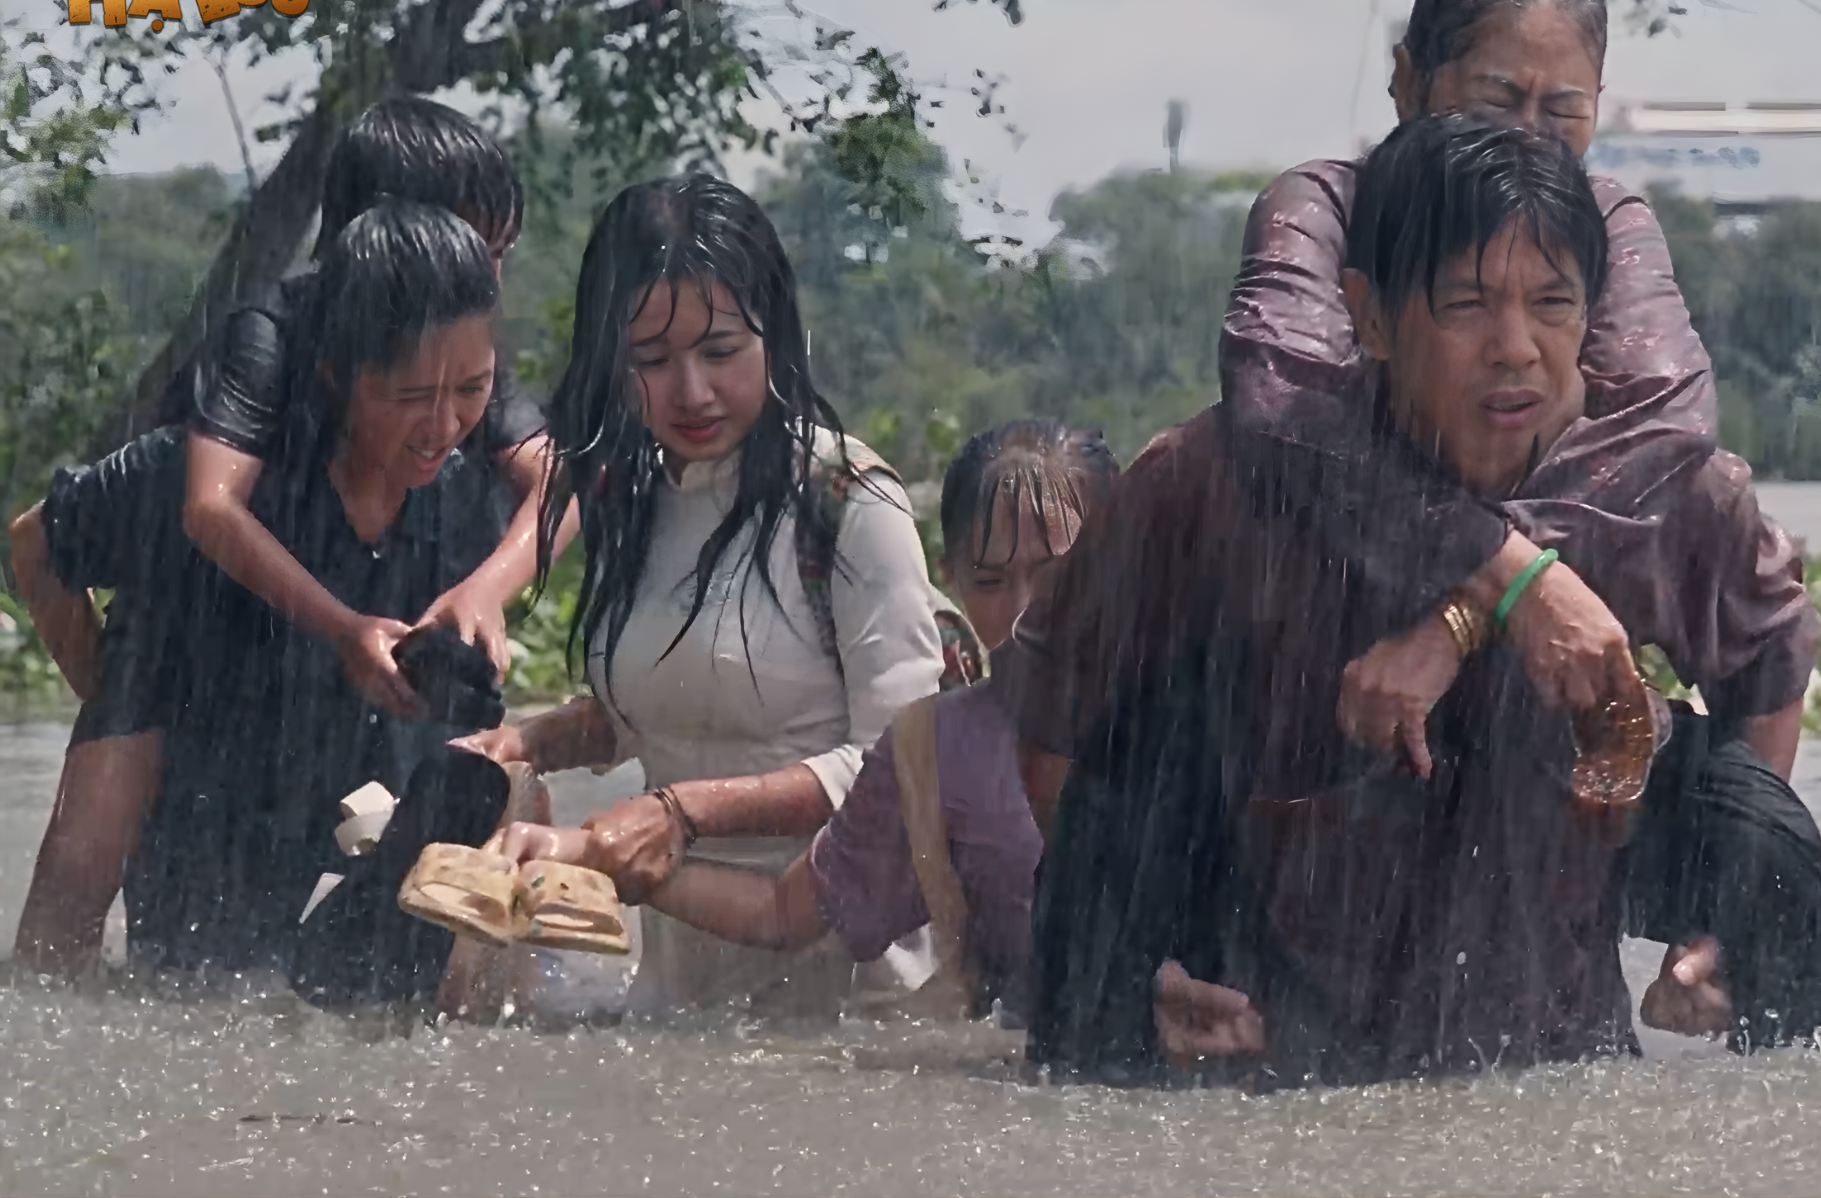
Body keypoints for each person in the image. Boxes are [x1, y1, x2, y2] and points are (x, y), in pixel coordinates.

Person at [1016, 116, 1821, 1089]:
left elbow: (1764, 680)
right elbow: (1062, 730)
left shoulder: (1663, 493)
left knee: (1771, 849)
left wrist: (1725, 923)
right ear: (1368, 317)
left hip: (1550, 1048)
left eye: (1551, 303)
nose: (1515, 350)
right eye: (1465, 304)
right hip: (1264, 1049)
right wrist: (1135, 967)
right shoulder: (1216, 485)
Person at [1133, 0, 1821, 1037]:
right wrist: (1510, 578)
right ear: (1408, 83)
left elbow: (1665, 427)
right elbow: (1278, 408)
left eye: (1561, 112)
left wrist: (1728, 909)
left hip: (1551, 1025)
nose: (1529, 142)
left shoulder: (1603, 222)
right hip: (1273, 1029)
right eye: (1492, 99)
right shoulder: (1320, 217)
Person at [7, 97, 565, 978]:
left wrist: (485, 590)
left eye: (491, 262)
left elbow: (562, 482)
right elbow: (105, 527)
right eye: (467, 247)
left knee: (435, 873)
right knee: (113, 933)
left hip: (323, 688)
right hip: (185, 658)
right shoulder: (260, 358)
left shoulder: (454, 413)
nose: (477, 281)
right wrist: (114, 694)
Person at [455, 174, 945, 1016]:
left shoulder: (848, 502)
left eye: (721, 351)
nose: (691, 392)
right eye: (650, 360)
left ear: (776, 337)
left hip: (859, 1015)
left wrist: (682, 813)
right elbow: (669, 698)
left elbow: (904, 764)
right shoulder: (629, 498)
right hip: (680, 1003)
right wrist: (528, 742)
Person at [494, 421, 1119, 1016]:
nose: (1023, 613)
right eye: (990, 581)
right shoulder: (937, 753)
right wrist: (586, 853)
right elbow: (781, 912)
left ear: (1123, 560)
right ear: (949, 577)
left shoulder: (1189, 716)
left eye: (1057, 577)